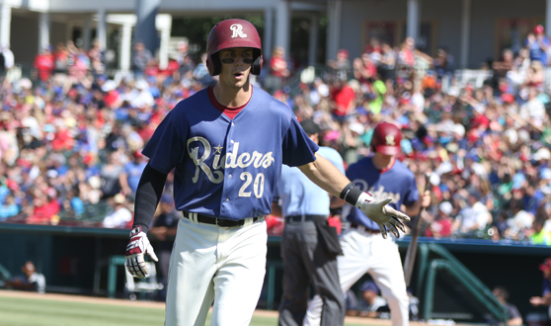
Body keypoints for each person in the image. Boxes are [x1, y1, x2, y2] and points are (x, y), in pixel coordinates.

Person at [124, 19, 410, 326]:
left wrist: (363, 201)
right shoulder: (186, 113)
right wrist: (139, 228)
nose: (238, 63)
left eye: (246, 55)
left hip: (248, 237)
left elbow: (312, 163)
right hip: (196, 235)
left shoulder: (276, 114)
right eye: (229, 55)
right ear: (213, 61)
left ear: (256, 60)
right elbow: (155, 172)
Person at [306, 122, 430, 326]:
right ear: (373, 146)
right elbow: (341, 198)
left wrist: (420, 203)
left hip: (385, 241)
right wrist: (326, 201)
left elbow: (411, 208)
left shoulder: (404, 175)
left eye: (392, 151)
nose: (387, 155)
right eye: (383, 150)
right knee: (326, 292)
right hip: (355, 237)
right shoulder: (357, 168)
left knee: (399, 298)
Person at [273, 119, 346, 326]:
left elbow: (272, 206)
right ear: (315, 137)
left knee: (293, 292)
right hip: (316, 225)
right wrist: (327, 205)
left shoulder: (282, 158)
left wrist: (290, 210)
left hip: (290, 228)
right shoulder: (328, 154)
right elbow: (342, 195)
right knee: (331, 293)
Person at [149, 193, 179, 297]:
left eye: (164, 203)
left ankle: (175, 295)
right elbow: (152, 229)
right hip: (164, 249)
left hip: (176, 250)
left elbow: (176, 230)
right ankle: (168, 296)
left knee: (175, 275)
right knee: (166, 275)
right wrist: (159, 233)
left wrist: (164, 231)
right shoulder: (161, 216)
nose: (162, 206)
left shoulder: (175, 214)